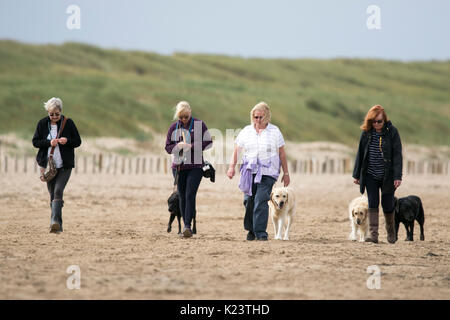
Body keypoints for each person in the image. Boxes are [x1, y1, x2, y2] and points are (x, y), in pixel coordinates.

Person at [227, 102, 290, 241]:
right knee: (248, 201)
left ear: (267, 116)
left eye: (261, 117)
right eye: (256, 117)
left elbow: (282, 154)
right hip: (249, 171)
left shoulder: (275, 131)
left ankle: (261, 233)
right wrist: (231, 167)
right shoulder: (246, 131)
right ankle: (251, 230)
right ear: (252, 116)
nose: (258, 120)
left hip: (268, 172)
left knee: (261, 199)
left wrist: (286, 173)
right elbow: (237, 150)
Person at [352, 105, 402, 244]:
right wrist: (357, 175)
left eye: (379, 121)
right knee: (373, 203)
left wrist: (398, 176)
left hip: (388, 175)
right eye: (374, 121)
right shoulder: (366, 133)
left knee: (387, 204)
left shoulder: (392, 132)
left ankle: (391, 231)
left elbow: (397, 155)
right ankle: (373, 235)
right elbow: (360, 153)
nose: (377, 124)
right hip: (370, 174)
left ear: (384, 120)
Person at [32, 97, 82, 233]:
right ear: (48, 112)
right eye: (51, 114)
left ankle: (55, 222)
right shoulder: (42, 124)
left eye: (57, 114)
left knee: (58, 191)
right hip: (48, 165)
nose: (54, 117)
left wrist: (67, 141)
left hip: (65, 165)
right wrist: (49, 143)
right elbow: (35, 142)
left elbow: (78, 141)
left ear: (61, 111)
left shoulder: (68, 123)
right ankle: (56, 225)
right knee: (52, 194)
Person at [165, 101, 212, 238]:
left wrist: (192, 146)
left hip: (196, 166)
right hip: (179, 167)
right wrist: (178, 146)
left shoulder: (199, 125)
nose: (184, 120)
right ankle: (185, 224)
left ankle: (187, 226)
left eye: (186, 117)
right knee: (182, 195)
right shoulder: (173, 127)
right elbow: (167, 147)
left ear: (190, 113)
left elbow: (208, 143)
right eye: (181, 118)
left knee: (190, 194)